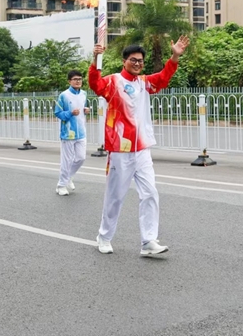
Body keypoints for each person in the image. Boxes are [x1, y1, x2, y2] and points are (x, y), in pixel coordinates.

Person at [89, 36, 190, 257]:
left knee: (150, 193)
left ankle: (148, 241)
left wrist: (174, 56)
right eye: (133, 60)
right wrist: (95, 57)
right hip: (120, 149)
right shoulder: (113, 81)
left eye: (141, 61)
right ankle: (104, 236)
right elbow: (95, 85)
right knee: (115, 197)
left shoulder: (145, 83)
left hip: (142, 148)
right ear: (124, 61)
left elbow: (163, 78)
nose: (137, 64)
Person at [53, 70, 90, 196]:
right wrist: (69, 113)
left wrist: (86, 110)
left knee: (81, 158)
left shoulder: (84, 94)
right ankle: (61, 185)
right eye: (75, 79)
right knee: (67, 160)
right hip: (68, 133)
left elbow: (83, 108)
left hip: (81, 132)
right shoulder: (64, 95)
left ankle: (68, 178)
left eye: (80, 79)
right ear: (69, 81)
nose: (78, 81)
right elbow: (57, 113)